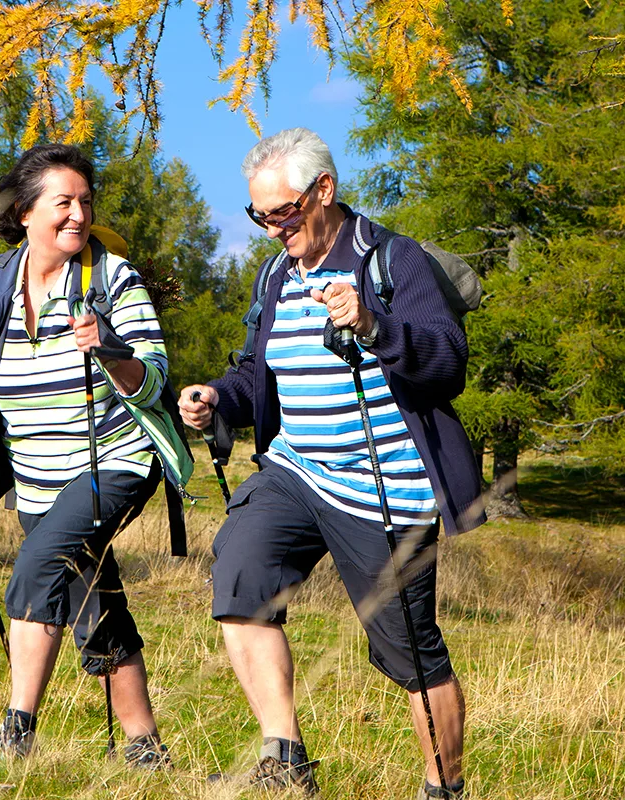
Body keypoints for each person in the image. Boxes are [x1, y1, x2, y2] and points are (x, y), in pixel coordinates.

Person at [178, 128, 484, 799]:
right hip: (297, 471)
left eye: (282, 213)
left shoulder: (390, 260)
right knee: (240, 572)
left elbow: (447, 361)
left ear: (325, 191)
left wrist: (376, 327)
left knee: (408, 651)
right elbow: (258, 376)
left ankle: (445, 789)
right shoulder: (277, 274)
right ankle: (285, 760)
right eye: (259, 217)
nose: (270, 229)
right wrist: (216, 400)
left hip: (385, 488)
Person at [0, 143, 179, 767]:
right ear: (26, 212)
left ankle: (17, 735)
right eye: (64, 202)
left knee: (38, 566)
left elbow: (155, 377)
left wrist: (110, 351)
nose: (79, 215)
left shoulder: (113, 279)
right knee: (95, 601)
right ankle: (144, 749)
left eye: (85, 202)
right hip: (37, 478)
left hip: (115, 461)